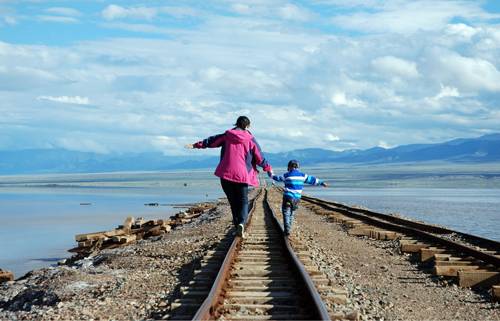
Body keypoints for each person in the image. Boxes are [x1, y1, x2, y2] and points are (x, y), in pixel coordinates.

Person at [185, 116, 272, 238]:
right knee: (243, 201)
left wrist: (195, 145)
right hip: (242, 176)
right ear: (248, 126)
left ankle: (237, 225)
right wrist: (268, 168)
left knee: (233, 202)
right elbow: (259, 157)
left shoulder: (227, 135)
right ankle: (241, 223)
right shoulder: (251, 139)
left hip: (225, 174)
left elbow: (211, 141)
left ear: (236, 124)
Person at [268, 160, 327, 236]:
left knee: (286, 212)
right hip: (296, 199)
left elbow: (276, 178)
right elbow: (313, 180)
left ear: (289, 167)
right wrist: (322, 183)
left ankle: (287, 229)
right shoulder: (302, 175)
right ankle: (289, 228)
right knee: (292, 213)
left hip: (288, 197)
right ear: (298, 167)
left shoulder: (286, 175)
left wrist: (270, 173)